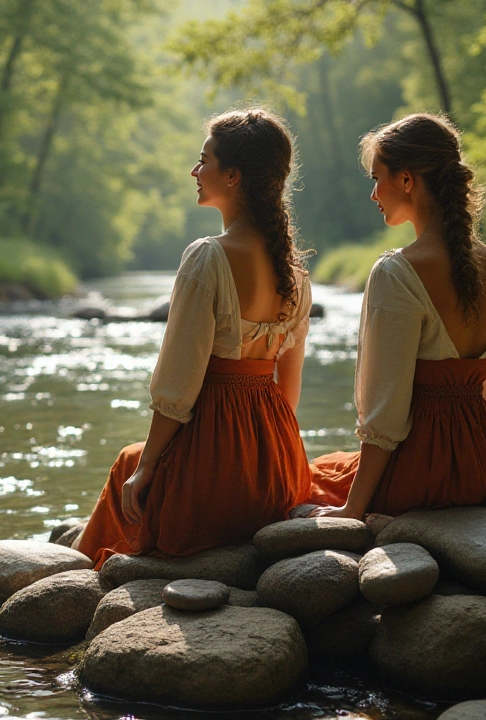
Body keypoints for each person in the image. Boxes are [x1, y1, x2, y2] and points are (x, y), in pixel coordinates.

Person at [75, 109, 315, 569]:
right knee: (138, 462)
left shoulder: (208, 257)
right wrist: (271, 458)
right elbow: (289, 390)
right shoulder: (297, 271)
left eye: (203, 160)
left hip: (216, 475)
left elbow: (177, 387)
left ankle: (74, 578)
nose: (195, 171)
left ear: (233, 175)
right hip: (280, 468)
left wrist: (147, 468)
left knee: (129, 462)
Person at [305, 113, 486, 519]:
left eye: (376, 178)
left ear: (406, 180)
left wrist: (353, 508)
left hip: (421, 477)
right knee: (329, 468)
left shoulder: (397, 273)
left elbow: (384, 418)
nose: (373, 194)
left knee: (307, 480)